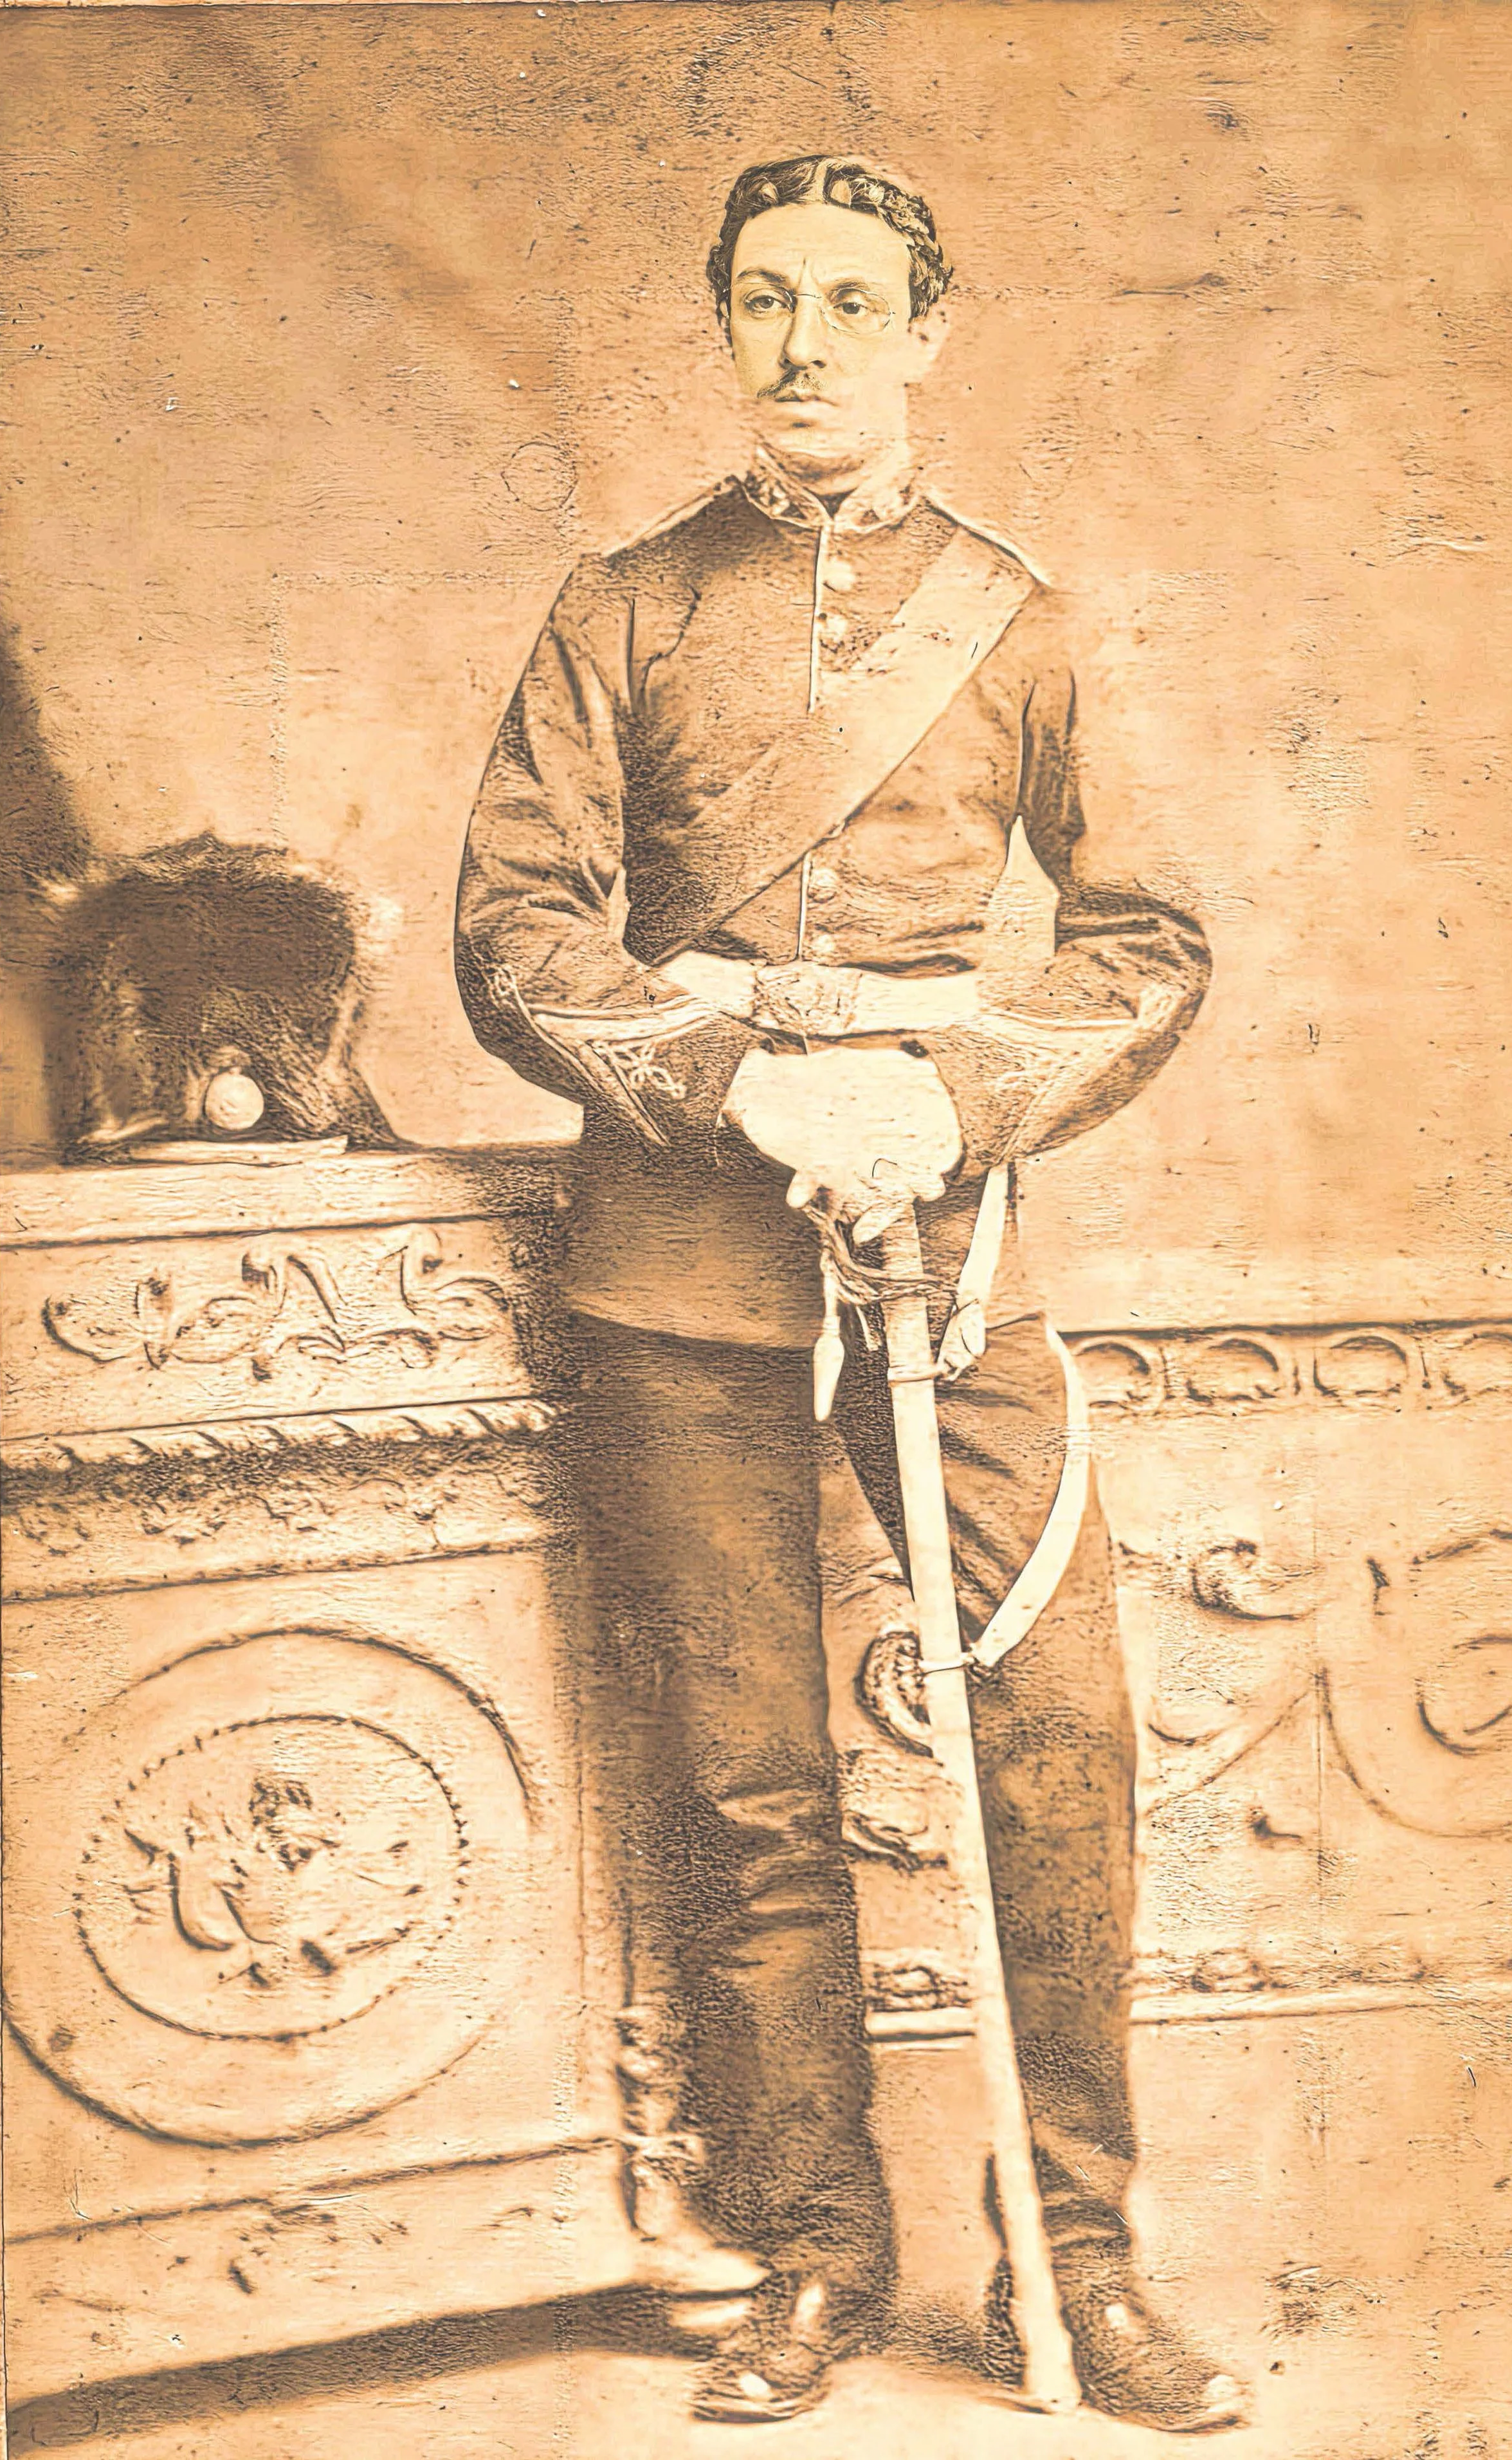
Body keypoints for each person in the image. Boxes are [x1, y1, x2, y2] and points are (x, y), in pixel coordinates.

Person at [456, 151, 1248, 2433]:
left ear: (923, 332)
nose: (802, 344)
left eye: (847, 302)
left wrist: (942, 1095)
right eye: (762, 300)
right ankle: (814, 2249)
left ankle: (1073, 2263)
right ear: (725, 326)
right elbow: (515, 930)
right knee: (750, 1782)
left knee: (1061, 1743)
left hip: (943, 1246)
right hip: (680, 1257)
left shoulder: (1018, 619)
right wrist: (744, 1085)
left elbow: (1144, 940)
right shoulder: (620, 609)